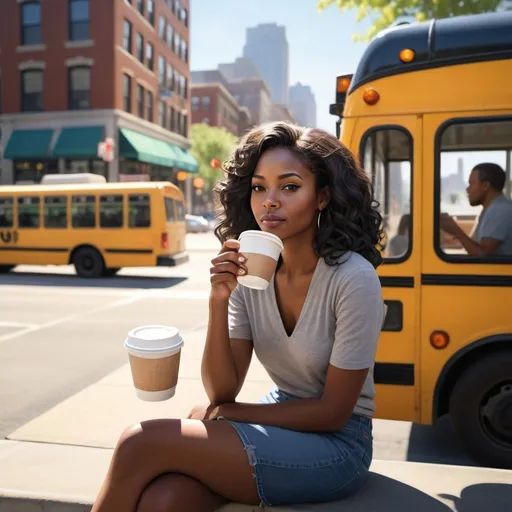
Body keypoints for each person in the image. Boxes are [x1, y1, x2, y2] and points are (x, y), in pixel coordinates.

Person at [91, 122, 386, 512]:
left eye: (290, 186)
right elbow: (222, 390)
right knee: (165, 501)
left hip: (339, 447)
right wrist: (218, 298)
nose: (270, 201)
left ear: (323, 197)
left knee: (139, 441)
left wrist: (229, 415)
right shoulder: (252, 273)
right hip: (279, 418)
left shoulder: (353, 278)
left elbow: (332, 413)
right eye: (260, 187)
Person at [440, 162, 512, 256]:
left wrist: (456, 230)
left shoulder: (499, 210)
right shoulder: (490, 209)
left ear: (485, 186)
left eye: (472, 184)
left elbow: (483, 257)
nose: (467, 189)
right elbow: (476, 245)